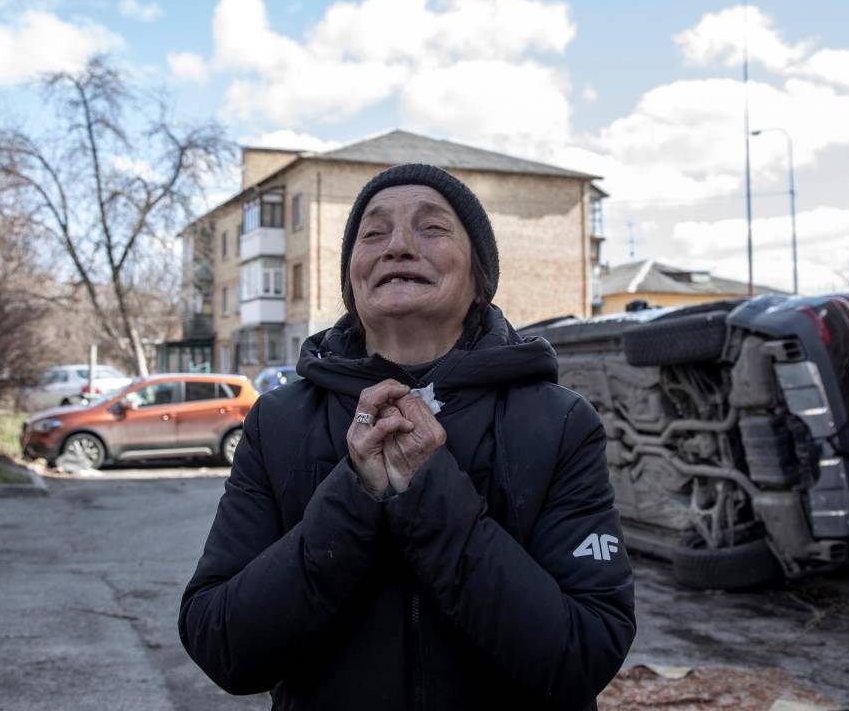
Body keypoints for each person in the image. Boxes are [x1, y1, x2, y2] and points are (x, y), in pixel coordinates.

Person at [179, 164, 635, 710]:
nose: (397, 246)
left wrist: (429, 491)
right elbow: (222, 643)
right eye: (373, 233)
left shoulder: (558, 423)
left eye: (431, 228)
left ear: (479, 278)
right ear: (352, 277)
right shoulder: (278, 422)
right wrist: (355, 498)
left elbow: (585, 651)